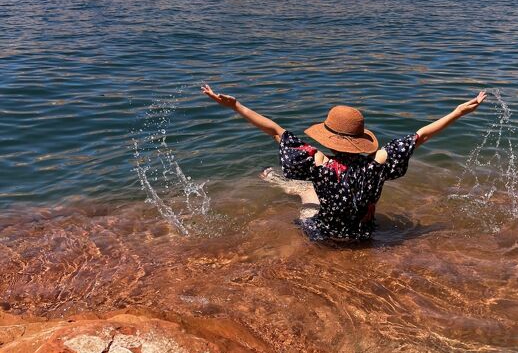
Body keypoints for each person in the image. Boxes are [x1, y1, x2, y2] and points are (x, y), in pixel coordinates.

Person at [201, 86, 486, 242]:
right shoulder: (378, 163)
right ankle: (285, 184)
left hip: (321, 235)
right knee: (311, 191)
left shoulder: (319, 160)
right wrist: (458, 111)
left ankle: (277, 182)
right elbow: (421, 136)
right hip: (365, 235)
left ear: (328, 136)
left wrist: (236, 106)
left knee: (307, 194)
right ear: (360, 138)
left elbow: (276, 131)